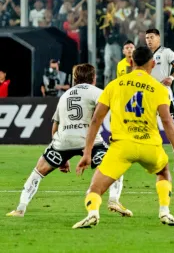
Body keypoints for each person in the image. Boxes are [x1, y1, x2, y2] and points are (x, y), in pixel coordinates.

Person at [72, 47, 174, 229]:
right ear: (153, 64)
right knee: (163, 171)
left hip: (122, 147)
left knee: (95, 188)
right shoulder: (159, 88)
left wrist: (87, 152)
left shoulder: (114, 85)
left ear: (130, 62)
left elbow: (96, 119)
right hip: (150, 146)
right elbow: (167, 121)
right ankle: (165, 211)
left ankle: (93, 213)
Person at [6, 64, 131, 217]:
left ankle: (20, 208)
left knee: (37, 172)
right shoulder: (98, 92)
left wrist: (62, 158)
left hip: (62, 141)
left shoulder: (65, 96)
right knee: (116, 164)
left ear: (74, 78)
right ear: (93, 78)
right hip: (88, 141)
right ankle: (113, 199)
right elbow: (111, 112)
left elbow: (55, 126)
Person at [145, 28, 174, 173]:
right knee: (150, 126)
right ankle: (156, 157)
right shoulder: (144, 54)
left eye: (151, 37)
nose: (148, 40)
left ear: (158, 38)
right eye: (147, 38)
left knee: (169, 124)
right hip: (148, 94)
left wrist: (171, 77)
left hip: (164, 94)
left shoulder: (167, 52)